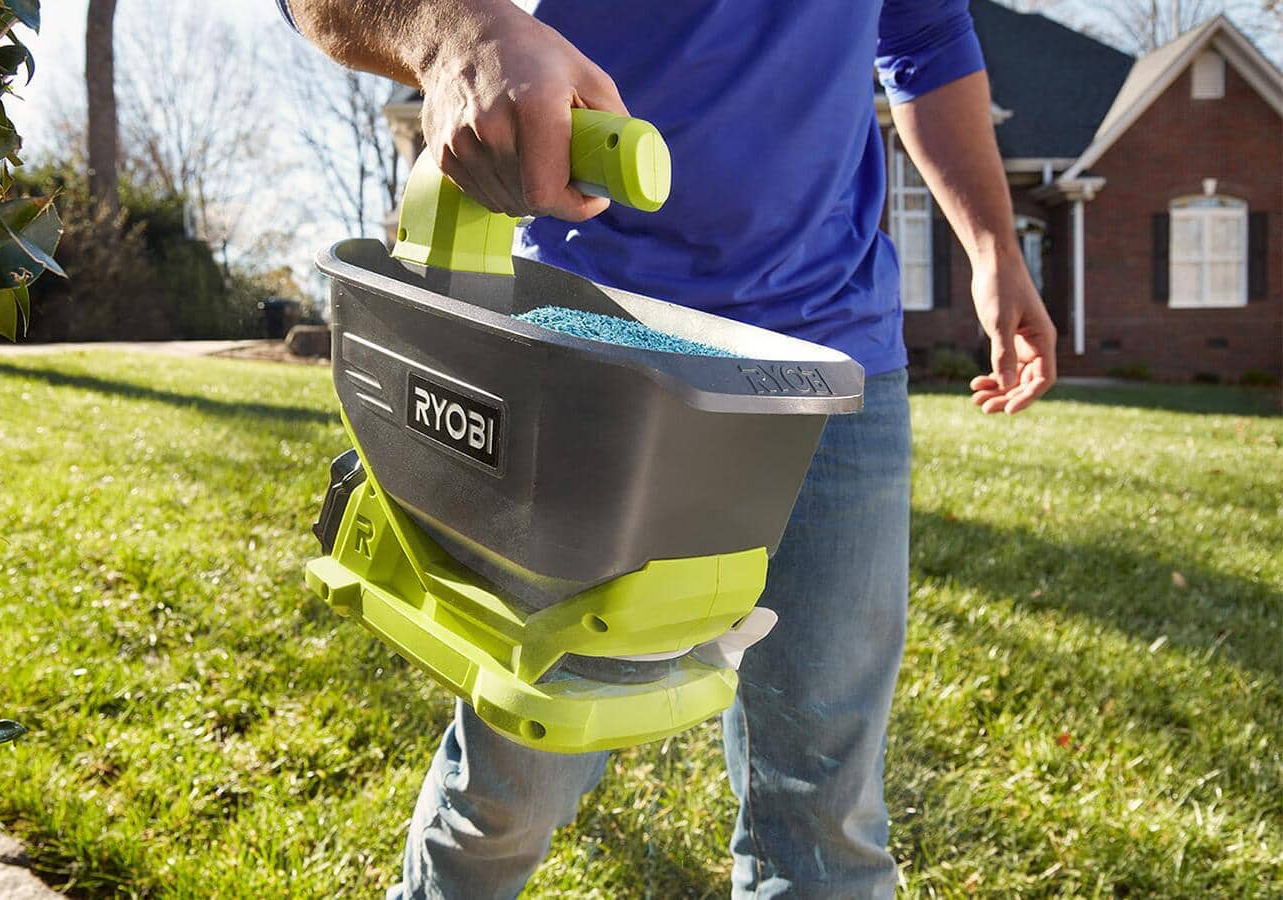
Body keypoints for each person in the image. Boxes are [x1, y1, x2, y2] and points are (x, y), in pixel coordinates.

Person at [281, 1, 1057, 896]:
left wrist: (995, 246)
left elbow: (923, 34)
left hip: (829, 367)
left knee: (825, 816)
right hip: (596, 364)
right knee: (511, 790)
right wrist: (450, 30)